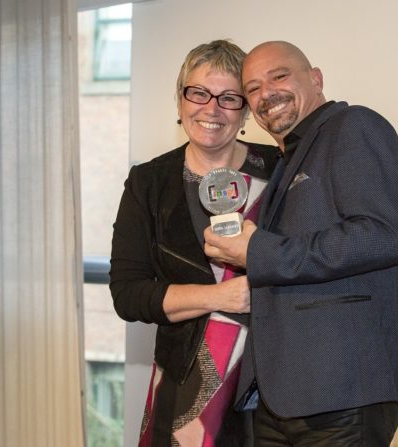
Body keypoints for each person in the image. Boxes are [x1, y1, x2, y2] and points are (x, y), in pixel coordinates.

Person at [203, 41, 398, 446]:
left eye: (279, 76)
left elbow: (379, 236)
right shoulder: (292, 156)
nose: (266, 93)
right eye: (252, 88)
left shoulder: (353, 126)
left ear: (316, 78)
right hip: (282, 398)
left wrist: (256, 251)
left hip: (341, 390)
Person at [110, 40, 279, 447]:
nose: (211, 108)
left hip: (277, 384)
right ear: (181, 98)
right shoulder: (149, 183)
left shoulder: (280, 169)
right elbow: (129, 295)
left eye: (228, 97)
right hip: (188, 383)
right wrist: (221, 296)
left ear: (244, 110)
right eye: (198, 92)